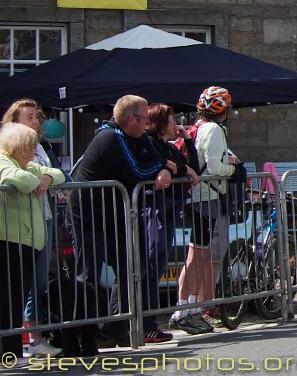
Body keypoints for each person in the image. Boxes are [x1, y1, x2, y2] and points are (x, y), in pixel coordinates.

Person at [70, 95, 172, 348]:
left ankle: (115, 327)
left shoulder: (140, 138)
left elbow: (162, 158)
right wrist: (162, 166)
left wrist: (165, 166)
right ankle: (85, 334)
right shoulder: (110, 137)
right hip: (91, 216)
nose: (148, 124)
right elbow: (136, 171)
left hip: (117, 215)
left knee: (131, 270)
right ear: (132, 119)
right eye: (145, 119)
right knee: (89, 276)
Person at [170, 86, 240, 335]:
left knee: (200, 253)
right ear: (225, 110)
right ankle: (183, 310)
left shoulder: (199, 126)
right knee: (196, 255)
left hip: (198, 196)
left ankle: (190, 308)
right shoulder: (214, 129)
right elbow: (213, 167)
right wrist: (233, 169)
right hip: (206, 196)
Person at [2, 99, 69, 357]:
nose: (36, 121)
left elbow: (60, 174)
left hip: (35, 230)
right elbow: (17, 178)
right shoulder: (7, 157)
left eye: (36, 116)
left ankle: (26, 343)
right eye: (29, 116)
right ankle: (19, 345)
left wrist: (47, 176)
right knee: (11, 296)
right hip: (11, 236)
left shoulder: (33, 155)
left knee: (33, 286)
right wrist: (37, 179)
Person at [143, 104, 199, 342]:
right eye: (170, 119)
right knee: (151, 264)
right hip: (154, 209)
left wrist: (187, 142)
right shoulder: (149, 143)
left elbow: (192, 168)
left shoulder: (166, 146)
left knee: (159, 262)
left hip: (168, 209)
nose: (174, 123)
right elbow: (170, 168)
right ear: (159, 122)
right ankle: (146, 323)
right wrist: (176, 168)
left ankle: (150, 322)